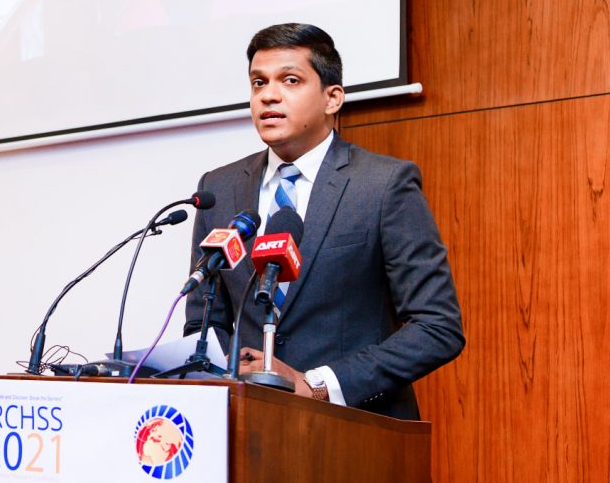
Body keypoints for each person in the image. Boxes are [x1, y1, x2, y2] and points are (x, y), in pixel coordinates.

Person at [184, 23, 464, 420]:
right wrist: (228, 370)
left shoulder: (383, 185)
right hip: (247, 428)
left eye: (290, 80)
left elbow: (437, 327)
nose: (268, 95)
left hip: (354, 429)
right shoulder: (218, 188)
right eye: (258, 82)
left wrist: (316, 385)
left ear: (332, 98)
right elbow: (203, 321)